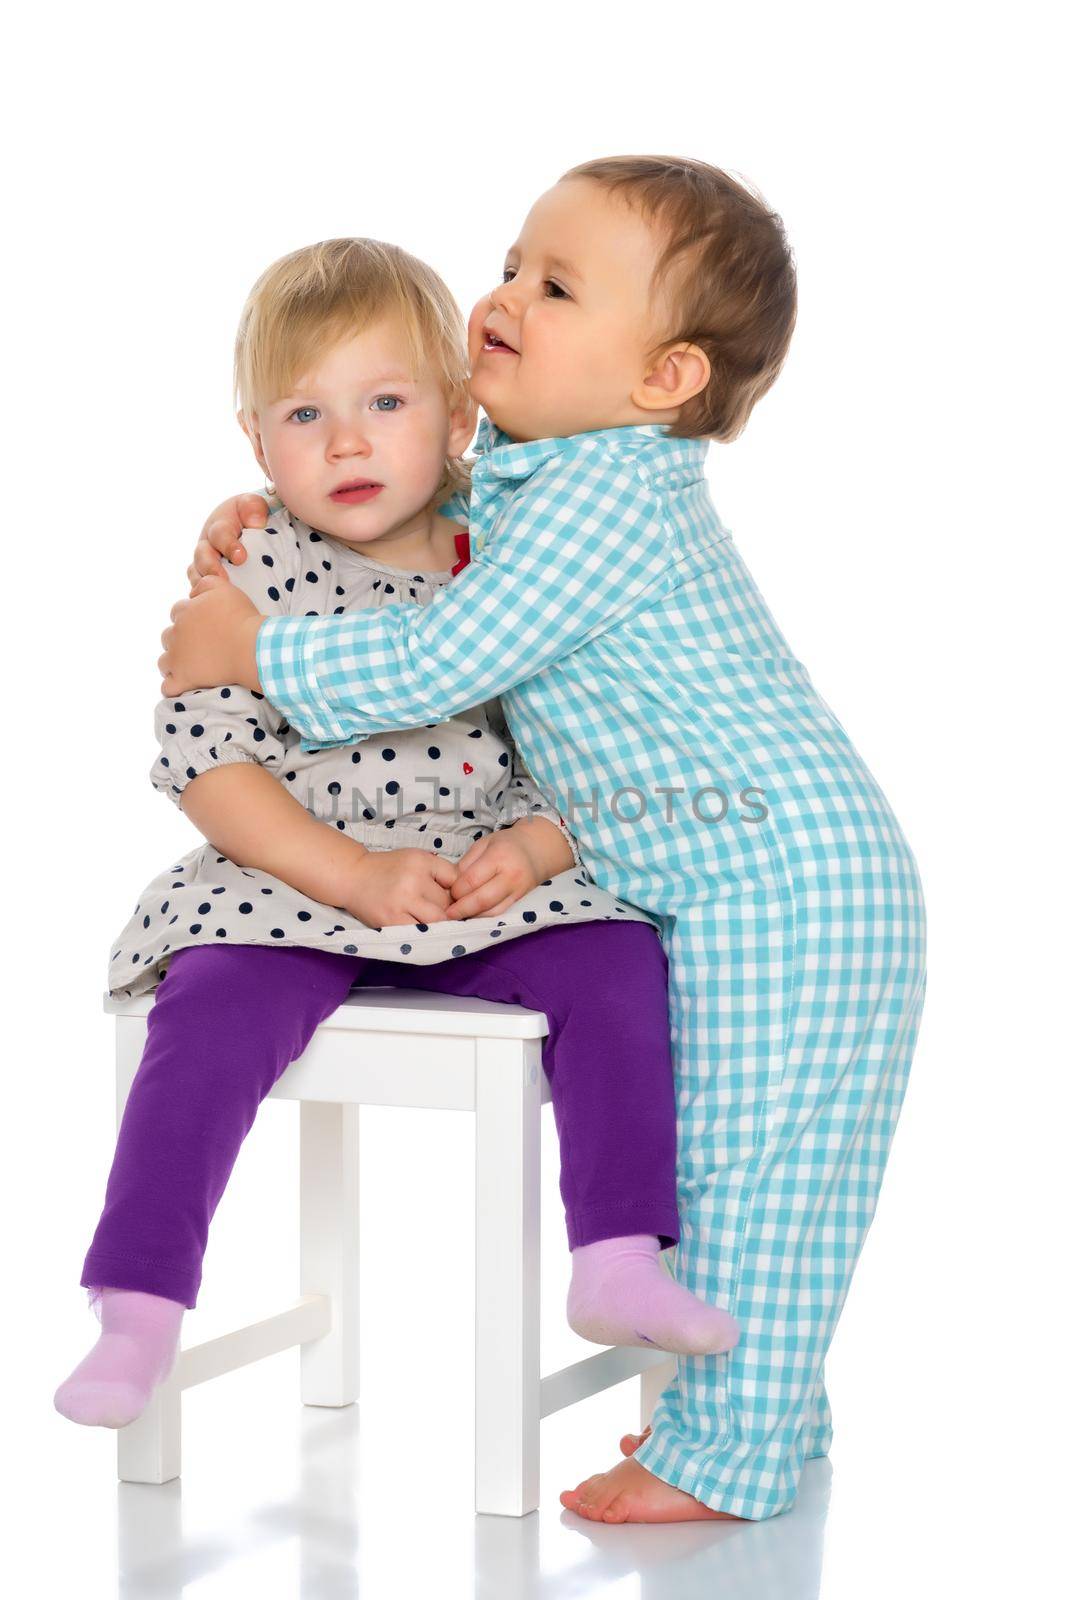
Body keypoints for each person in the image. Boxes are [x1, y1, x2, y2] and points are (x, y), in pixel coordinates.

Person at [163, 157, 927, 1525]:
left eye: (555, 285)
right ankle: (773, 1409)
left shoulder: (602, 503)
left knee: (749, 1166)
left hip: (781, 874)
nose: (504, 294)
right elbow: (418, 499)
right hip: (730, 868)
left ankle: (722, 1462)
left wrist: (258, 651)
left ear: (662, 379)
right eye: (511, 262)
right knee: (749, 1156)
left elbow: (444, 646)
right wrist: (259, 510)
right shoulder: (551, 476)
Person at [54, 236, 742, 1438]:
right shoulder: (250, 565)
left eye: (385, 402)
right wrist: (349, 875)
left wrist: (535, 847)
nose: (348, 441)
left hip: (481, 870)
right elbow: (206, 764)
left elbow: (590, 735)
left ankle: (617, 1252)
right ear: (256, 441)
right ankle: (140, 1303)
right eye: (304, 413)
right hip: (294, 874)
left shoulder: (517, 547)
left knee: (619, 960)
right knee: (205, 1012)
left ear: (461, 417)